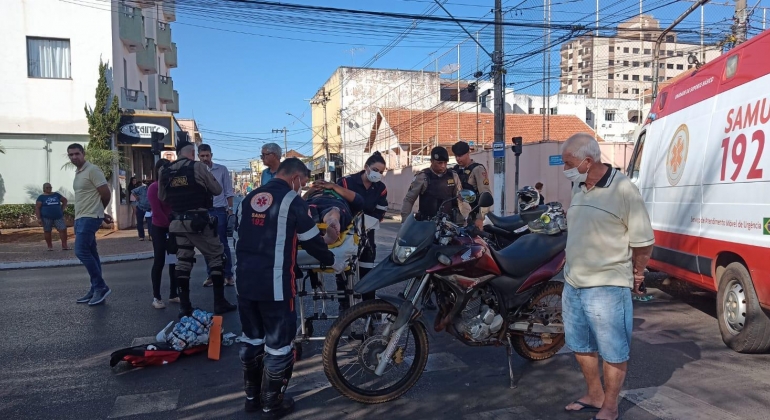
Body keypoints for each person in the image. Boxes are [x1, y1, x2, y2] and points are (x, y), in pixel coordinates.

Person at [234, 157, 344, 418]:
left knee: (252, 339)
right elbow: (312, 242)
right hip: (275, 286)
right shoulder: (293, 201)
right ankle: (272, 404)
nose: (302, 187)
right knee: (279, 346)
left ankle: (252, 398)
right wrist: (332, 261)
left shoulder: (248, 199)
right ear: (295, 178)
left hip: (244, 283)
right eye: (303, 182)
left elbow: (239, 236)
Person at [560, 133, 654, 420]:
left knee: (613, 350)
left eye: (569, 162)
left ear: (588, 161)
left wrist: (637, 273)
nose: (565, 168)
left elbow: (643, 241)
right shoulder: (578, 186)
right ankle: (594, 394)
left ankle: (610, 406)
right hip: (574, 283)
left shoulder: (624, 189)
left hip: (607, 286)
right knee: (580, 345)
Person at [159, 141, 237, 317]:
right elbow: (217, 190)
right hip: (199, 222)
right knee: (217, 257)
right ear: (192, 153)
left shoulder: (164, 171)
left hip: (178, 223)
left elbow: (162, 197)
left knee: (183, 261)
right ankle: (219, 303)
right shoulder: (198, 168)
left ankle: (185, 307)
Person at [401, 146, 462, 310]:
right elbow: (409, 200)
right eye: (439, 162)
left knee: (449, 262)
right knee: (427, 262)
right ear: (432, 161)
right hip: (427, 226)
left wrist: (466, 220)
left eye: (444, 163)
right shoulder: (423, 177)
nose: (442, 166)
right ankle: (425, 295)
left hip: (448, 227)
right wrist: (405, 223)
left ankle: (446, 295)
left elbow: (461, 199)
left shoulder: (453, 176)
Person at [336, 151, 388, 302]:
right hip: (345, 233)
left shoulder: (380, 188)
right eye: (376, 170)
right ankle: (344, 305)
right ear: (366, 167)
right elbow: (336, 204)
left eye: (381, 172)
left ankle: (368, 307)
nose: (378, 174)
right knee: (344, 270)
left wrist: (370, 223)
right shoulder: (346, 183)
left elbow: (381, 209)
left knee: (368, 270)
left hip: (367, 233)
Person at [68, 143, 113, 306]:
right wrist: (102, 213)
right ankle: (95, 288)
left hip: (89, 217)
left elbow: (105, 193)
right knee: (92, 253)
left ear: (83, 153)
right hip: (81, 217)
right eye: (71, 155)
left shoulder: (92, 170)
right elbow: (90, 197)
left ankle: (101, 286)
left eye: (76, 154)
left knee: (80, 251)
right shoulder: (79, 173)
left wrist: (100, 212)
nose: (74, 157)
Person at [197, 144, 236, 288]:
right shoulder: (195, 171)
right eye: (202, 156)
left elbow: (228, 191)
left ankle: (228, 275)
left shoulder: (222, 169)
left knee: (222, 244)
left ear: (211, 155)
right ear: (198, 156)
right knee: (207, 245)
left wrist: (230, 210)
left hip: (220, 210)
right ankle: (212, 275)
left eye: (207, 155)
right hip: (203, 211)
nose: (205, 158)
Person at [148, 159, 179, 310]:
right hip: (160, 228)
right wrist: (170, 223)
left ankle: (174, 293)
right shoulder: (154, 188)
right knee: (159, 261)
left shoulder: (173, 187)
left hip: (172, 228)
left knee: (173, 261)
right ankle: (157, 296)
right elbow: (157, 212)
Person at [303, 180, 363, 245]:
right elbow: (298, 201)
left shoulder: (338, 192)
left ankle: (331, 225)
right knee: (303, 211)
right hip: (312, 203)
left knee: (334, 211)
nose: (321, 186)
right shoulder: (311, 194)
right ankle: (330, 223)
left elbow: (359, 201)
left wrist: (333, 186)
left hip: (332, 201)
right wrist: (311, 190)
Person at [451, 141, 492, 228]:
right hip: (456, 218)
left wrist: (480, 218)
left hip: (472, 217)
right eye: (456, 156)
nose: (458, 159)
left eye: (460, 156)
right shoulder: (454, 170)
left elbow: (485, 194)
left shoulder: (477, 169)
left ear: (468, 153)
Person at [35, 183, 70, 251]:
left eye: (50, 187)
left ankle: (64, 245)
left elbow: (64, 200)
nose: (49, 188)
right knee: (47, 231)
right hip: (46, 217)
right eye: (47, 187)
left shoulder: (56, 194)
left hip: (58, 216)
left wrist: (62, 209)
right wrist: (39, 218)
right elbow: (37, 208)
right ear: (44, 188)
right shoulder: (41, 197)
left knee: (63, 229)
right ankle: (50, 246)